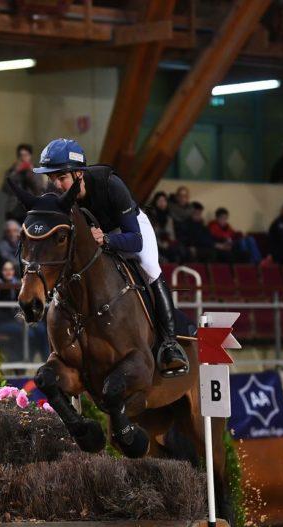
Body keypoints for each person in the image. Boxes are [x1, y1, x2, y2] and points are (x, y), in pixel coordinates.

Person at [32, 138, 189, 376]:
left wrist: (106, 239)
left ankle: (169, 344)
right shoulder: (58, 195)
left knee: (150, 267)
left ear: (79, 175)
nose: (57, 185)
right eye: (52, 178)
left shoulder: (111, 184)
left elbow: (135, 241)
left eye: (61, 178)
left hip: (128, 230)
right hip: (94, 239)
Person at [0, 259, 49, 361]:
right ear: (1, 271)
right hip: (0, 322)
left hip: (19, 321)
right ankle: (25, 362)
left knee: (42, 329)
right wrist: (17, 318)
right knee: (29, 333)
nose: (8, 272)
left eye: (10, 269)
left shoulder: (19, 285)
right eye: (5, 269)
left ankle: (45, 360)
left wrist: (23, 316)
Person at [2, 143, 47, 222]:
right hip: (14, 209)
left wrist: (31, 172)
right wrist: (16, 172)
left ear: (30, 156)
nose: (23, 158)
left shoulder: (36, 170)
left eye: (26, 155)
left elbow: (39, 189)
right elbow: (5, 188)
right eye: (21, 155)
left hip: (31, 208)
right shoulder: (12, 171)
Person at [148, 191, 184, 264]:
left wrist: (169, 242)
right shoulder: (151, 216)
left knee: (179, 251)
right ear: (155, 202)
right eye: (160, 201)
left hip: (167, 245)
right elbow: (150, 235)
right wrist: (161, 243)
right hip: (155, 245)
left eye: (164, 201)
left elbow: (171, 235)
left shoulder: (169, 217)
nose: (162, 203)